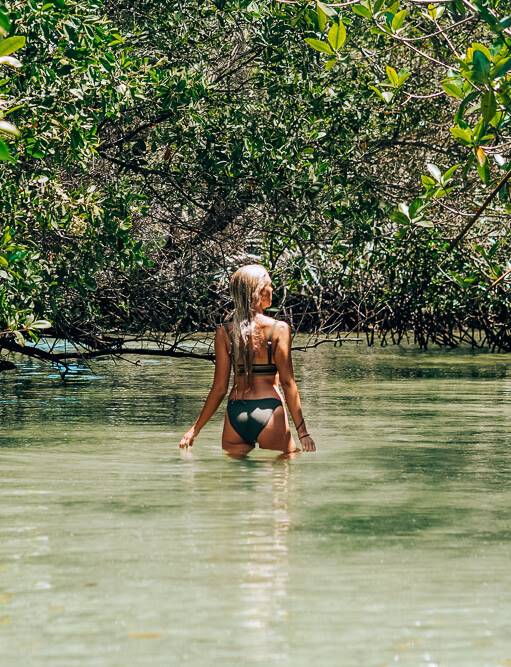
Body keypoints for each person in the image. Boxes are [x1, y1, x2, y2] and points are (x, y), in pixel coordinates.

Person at [179, 264, 316, 457]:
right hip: (269, 410)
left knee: (238, 482)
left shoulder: (224, 332)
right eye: (270, 285)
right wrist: (303, 431)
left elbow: (219, 389)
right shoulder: (279, 329)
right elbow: (287, 382)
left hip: (235, 414)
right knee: (285, 471)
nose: (273, 289)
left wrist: (195, 429)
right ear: (259, 291)